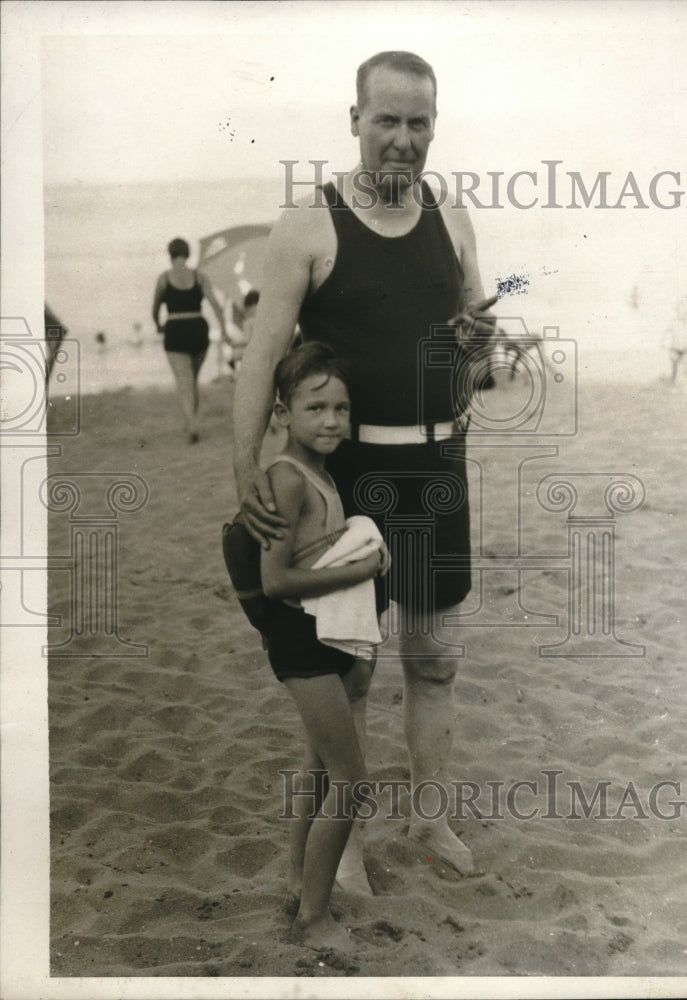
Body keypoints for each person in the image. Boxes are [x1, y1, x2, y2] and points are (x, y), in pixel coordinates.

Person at [233, 50, 496, 881]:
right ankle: (344, 845)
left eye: (419, 123)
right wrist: (244, 468)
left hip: (438, 469)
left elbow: (476, 352)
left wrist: (481, 346)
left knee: (435, 660)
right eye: (386, 120)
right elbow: (261, 355)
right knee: (350, 672)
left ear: (433, 126)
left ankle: (431, 823)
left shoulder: (452, 216)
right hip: (345, 482)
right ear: (355, 120)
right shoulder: (308, 225)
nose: (402, 140)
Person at [259, 341, 389, 951]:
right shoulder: (288, 478)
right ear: (282, 413)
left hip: (323, 634)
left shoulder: (321, 473)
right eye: (315, 408)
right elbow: (275, 580)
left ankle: (296, 882)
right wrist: (362, 569)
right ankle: (313, 918)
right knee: (352, 778)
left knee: (318, 767)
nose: (332, 420)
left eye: (341, 408)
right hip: (302, 642)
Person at [152, 237, 230, 443]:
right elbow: (216, 305)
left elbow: (155, 308)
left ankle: (192, 425)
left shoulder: (164, 278)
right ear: (187, 254)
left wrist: (158, 325)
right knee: (192, 380)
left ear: (170, 254)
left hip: (175, 329)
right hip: (198, 329)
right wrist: (224, 331)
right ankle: (190, 422)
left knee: (184, 382)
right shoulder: (199, 276)